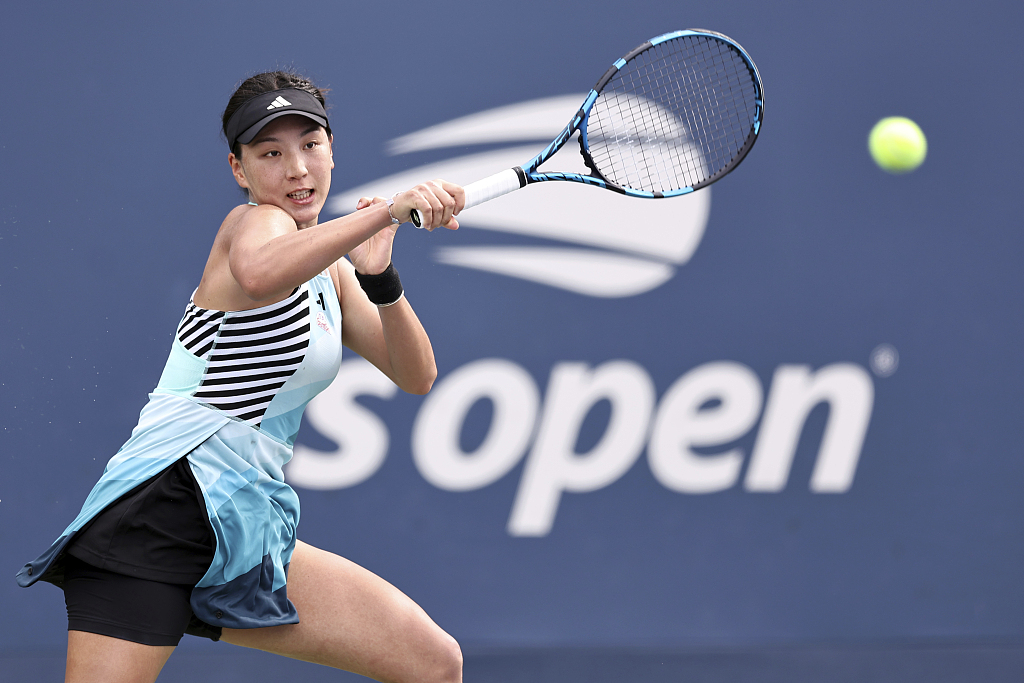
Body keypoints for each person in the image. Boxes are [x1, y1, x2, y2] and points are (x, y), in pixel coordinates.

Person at [16, 70, 466, 683]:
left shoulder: (331, 269)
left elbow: (416, 375)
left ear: (333, 150)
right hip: (161, 508)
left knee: (433, 663)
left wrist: (380, 274)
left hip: (245, 525)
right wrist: (387, 210)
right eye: (270, 154)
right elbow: (258, 274)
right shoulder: (254, 224)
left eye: (310, 146)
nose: (297, 169)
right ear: (239, 169)